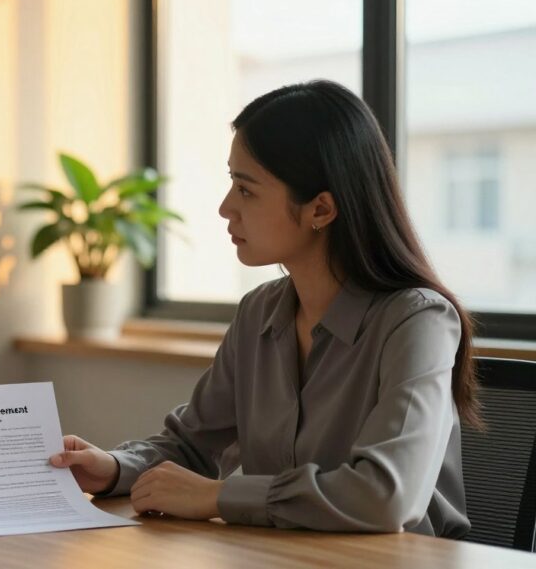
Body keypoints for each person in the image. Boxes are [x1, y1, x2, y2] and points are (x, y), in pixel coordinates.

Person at [50, 80, 479, 537]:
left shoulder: (418, 323)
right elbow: (191, 445)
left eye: (246, 189)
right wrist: (113, 468)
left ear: (321, 209)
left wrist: (216, 497)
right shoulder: (258, 313)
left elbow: (386, 496)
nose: (225, 208)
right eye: (230, 182)